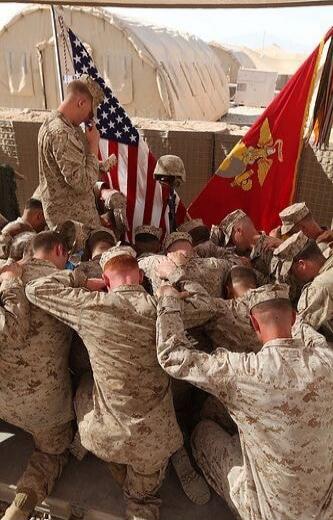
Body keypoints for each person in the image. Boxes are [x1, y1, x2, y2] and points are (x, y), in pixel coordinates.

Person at [156, 282, 333, 520]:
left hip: (269, 513)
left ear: (253, 324)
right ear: (292, 317)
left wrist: (168, 298)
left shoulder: (245, 372)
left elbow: (172, 356)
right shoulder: (327, 361)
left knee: (203, 432)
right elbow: (310, 336)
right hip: (324, 509)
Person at [1, 231, 74, 520]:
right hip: (46, 412)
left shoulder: (6, 274)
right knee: (52, 453)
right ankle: (21, 504)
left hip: (3, 401)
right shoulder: (66, 283)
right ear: (59, 250)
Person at [38, 75, 104, 229]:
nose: (89, 119)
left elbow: (66, 171)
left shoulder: (52, 122)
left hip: (69, 219)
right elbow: (82, 183)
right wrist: (93, 145)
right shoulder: (62, 133)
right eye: (90, 113)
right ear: (81, 103)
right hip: (75, 224)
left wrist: (97, 165)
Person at [274, 231, 333, 342]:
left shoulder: (319, 287)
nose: (294, 277)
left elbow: (298, 332)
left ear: (302, 264)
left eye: (292, 271)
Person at [220, 209, 281, 279]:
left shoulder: (270, 246)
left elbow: (281, 284)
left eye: (231, 239)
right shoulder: (243, 254)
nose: (233, 244)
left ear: (239, 231)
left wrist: (250, 271)